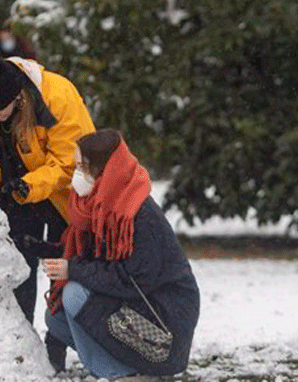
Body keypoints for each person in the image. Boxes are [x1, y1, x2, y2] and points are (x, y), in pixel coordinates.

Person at [42, 129, 200, 379]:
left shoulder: (137, 214)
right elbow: (95, 257)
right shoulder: (100, 205)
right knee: (56, 321)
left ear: (106, 171)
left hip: (165, 319)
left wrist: (72, 269)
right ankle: (122, 369)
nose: (77, 174)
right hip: (135, 304)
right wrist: (38, 249)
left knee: (74, 294)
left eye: (83, 167)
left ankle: (121, 375)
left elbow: (132, 280)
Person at [0, 42, 95, 326]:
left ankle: (58, 343)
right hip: (16, 193)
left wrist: (30, 185)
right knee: (19, 263)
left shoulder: (57, 96)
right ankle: (23, 340)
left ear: (18, 98)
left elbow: (69, 161)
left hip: (63, 193)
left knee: (62, 264)